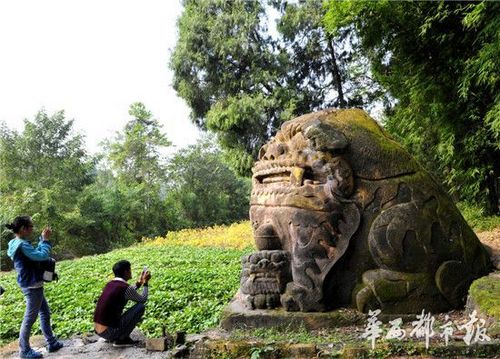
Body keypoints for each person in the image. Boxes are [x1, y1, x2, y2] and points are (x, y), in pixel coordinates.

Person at [6, 216, 63, 359]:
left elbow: (34, 255)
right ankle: (24, 350)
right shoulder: (22, 245)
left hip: (30, 283)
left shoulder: (16, 242)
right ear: (24, 229)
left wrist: (41, 242)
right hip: (32, 285)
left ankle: (51, 342)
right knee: (29, 318)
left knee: (45, 312)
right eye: (31, 227)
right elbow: (42, 256)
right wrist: (45, 240)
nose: (32, 229)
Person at [93, 260, 151, 347]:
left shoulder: (110, 284)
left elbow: (127, 292)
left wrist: (139, 284)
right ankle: (121, 340)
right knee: (140, 307)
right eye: (130, 270)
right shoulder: (125, 288)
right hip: (109, 332)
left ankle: (112, 336)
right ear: (126, 272)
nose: (131, 272)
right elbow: (143, 299)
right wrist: (146, 283)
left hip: (98, 330)